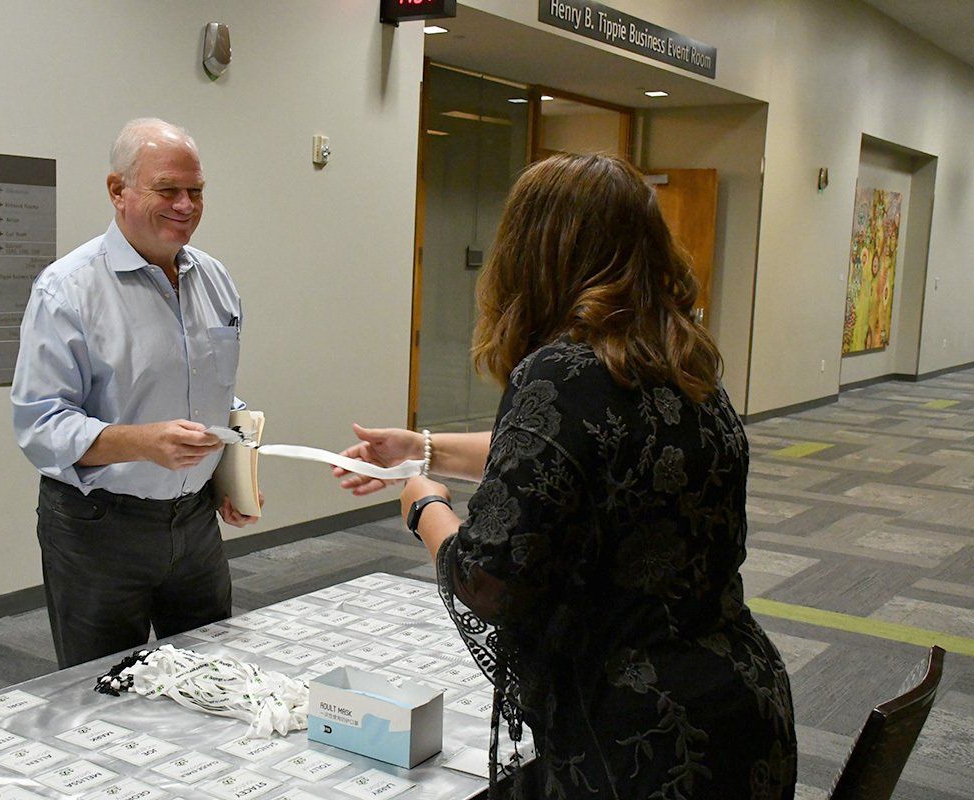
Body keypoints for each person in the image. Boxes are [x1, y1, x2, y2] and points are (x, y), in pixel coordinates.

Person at [335, 154, 796, 798]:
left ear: (533, 255)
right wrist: (426, 447)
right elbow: (573, 457)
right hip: (740, 710)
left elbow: (487, 578)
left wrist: (424, 508)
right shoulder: (683, 358)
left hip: (637, 742)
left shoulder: (560, 372)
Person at [11, 118, 261, 670]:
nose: (185, 205)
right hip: (98, 528)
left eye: (195, 191)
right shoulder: (67, 290)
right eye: (167, 190)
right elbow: (40, 424)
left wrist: (231, 471)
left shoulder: (214, 279)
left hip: (195, 524)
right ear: (117, 191)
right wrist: (141, 443)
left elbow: (213, 394)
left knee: (212, 680)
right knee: (101, 690)